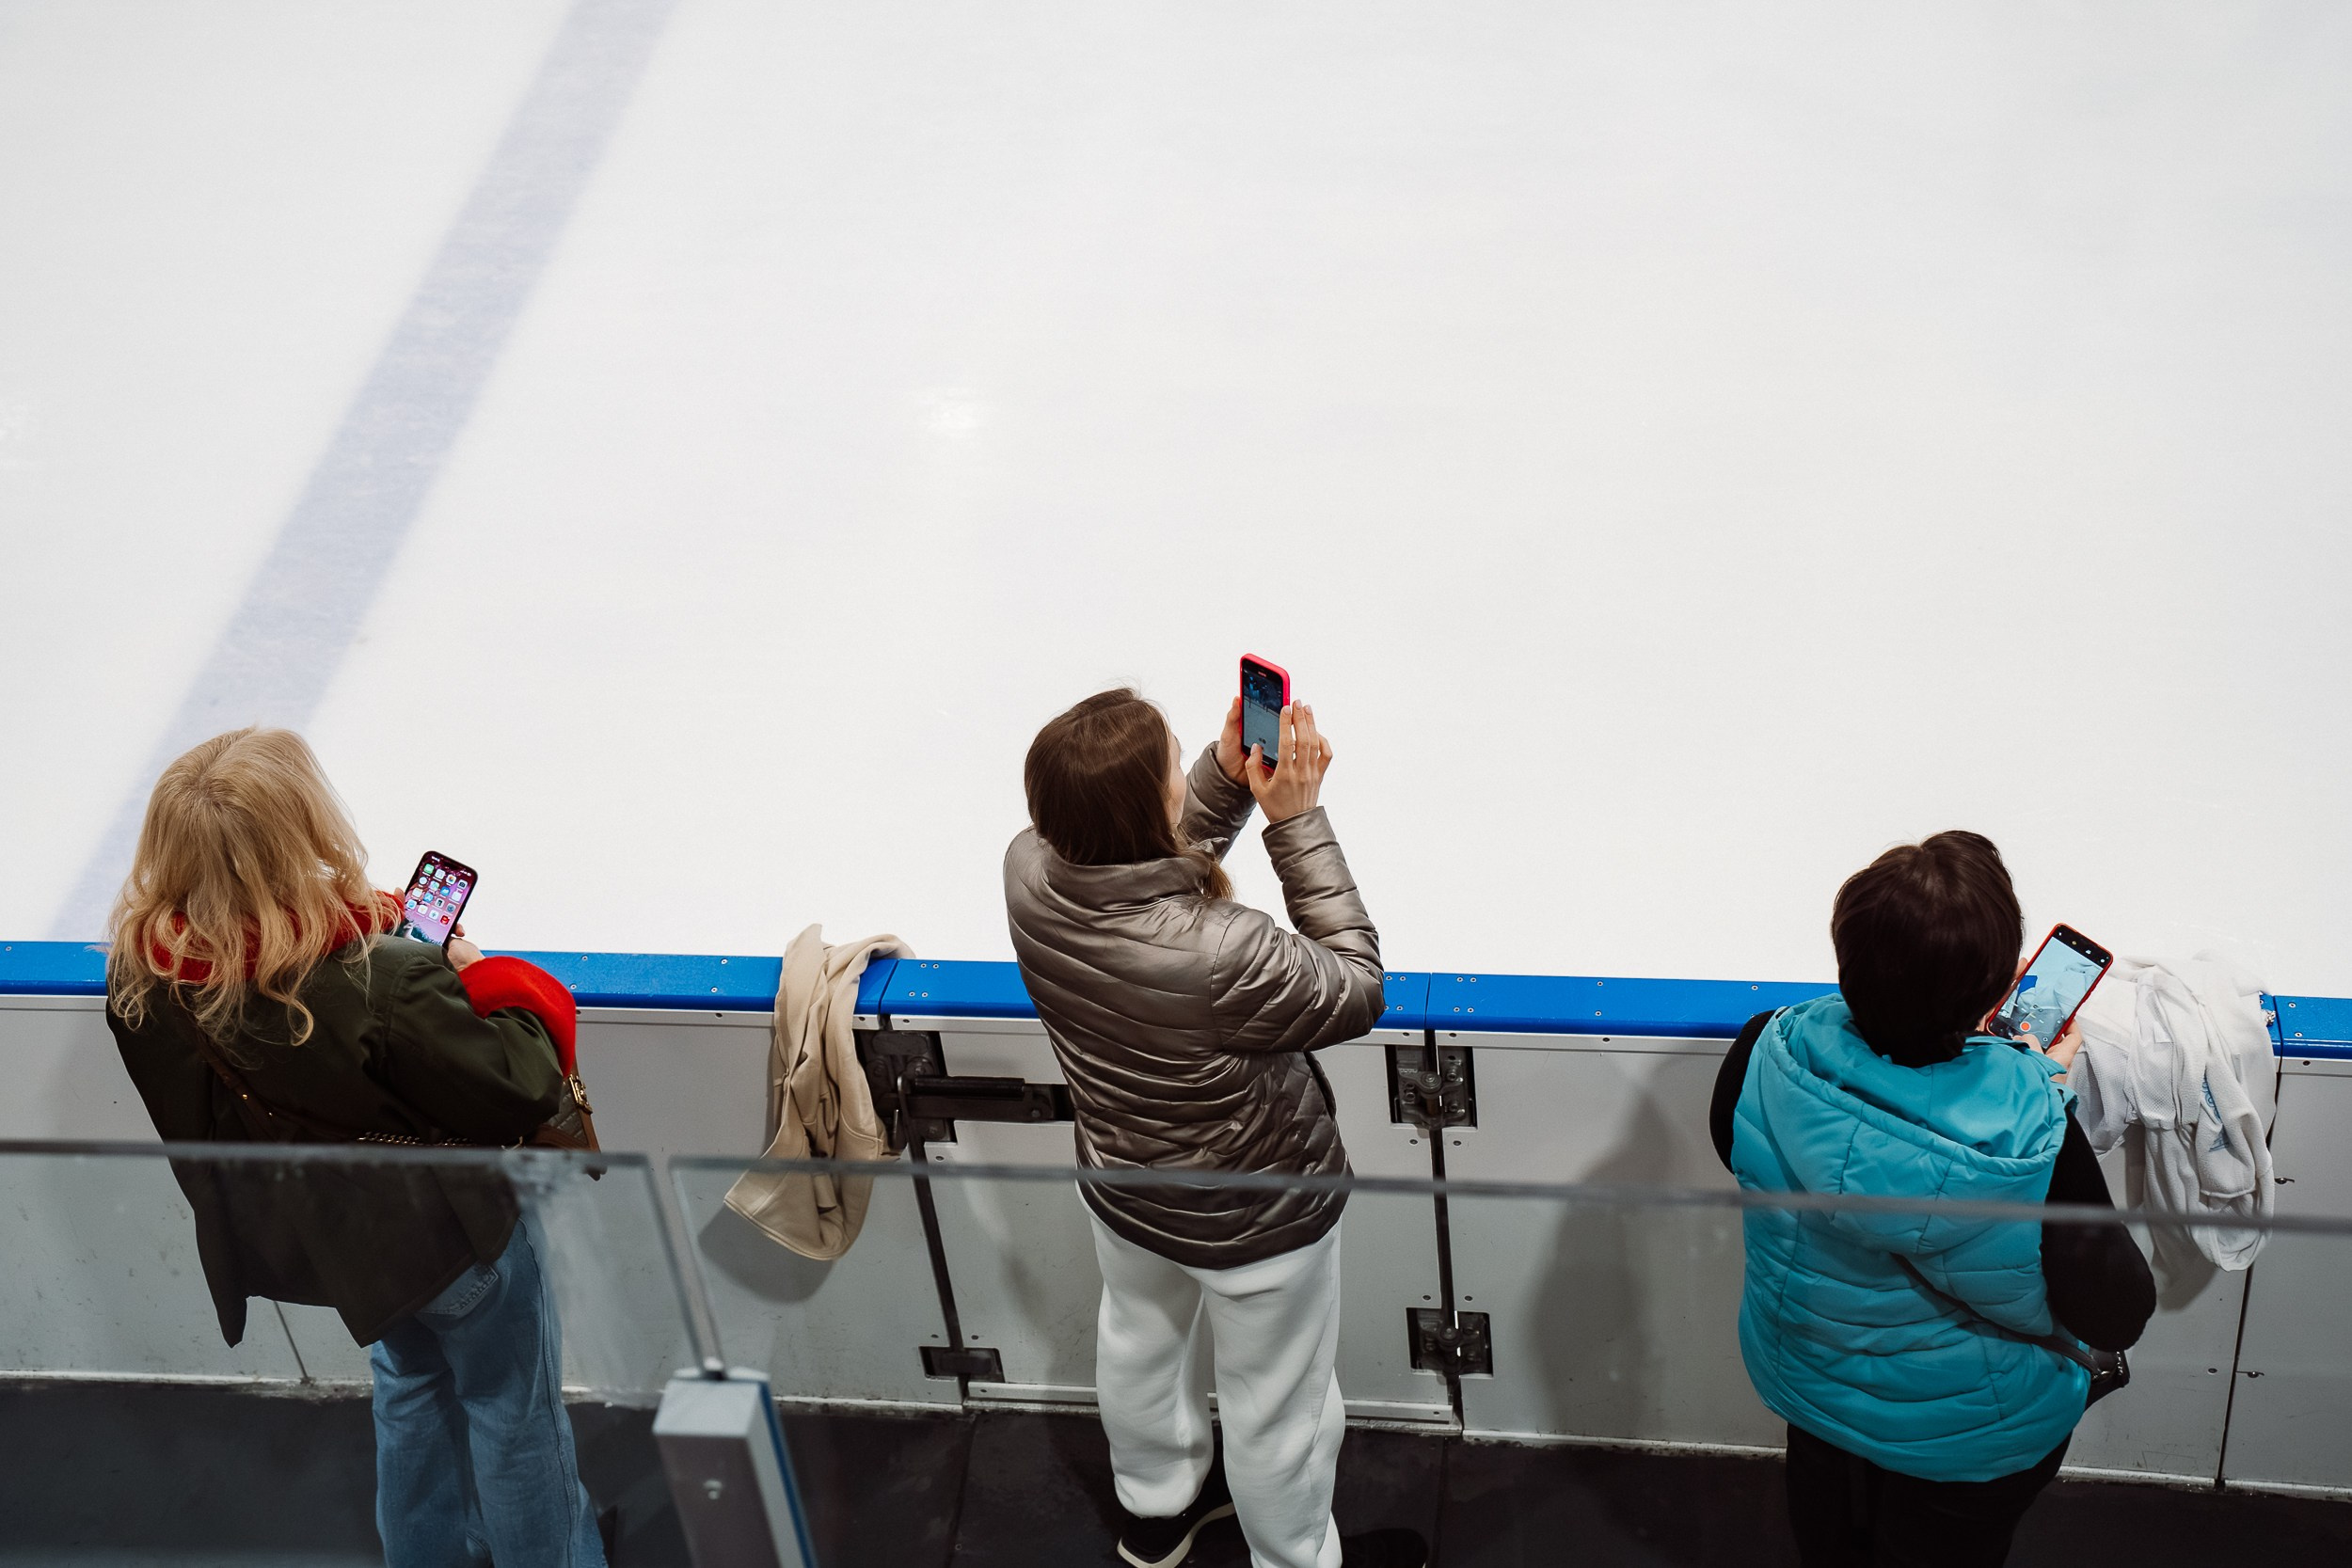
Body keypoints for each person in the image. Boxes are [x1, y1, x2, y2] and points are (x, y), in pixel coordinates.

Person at [104, 727, 607, 1568]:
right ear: (296, 829)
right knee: (512, 1416)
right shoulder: (380, 977)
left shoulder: (142, 977)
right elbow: (517, 1086)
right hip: (455, 1242)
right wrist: (478, 977)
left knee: (410, 1389)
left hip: (342, 1249)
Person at [1005, 689, 1425, 1568]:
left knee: (1140, 1345)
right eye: (1174, 766)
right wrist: (1296, 822)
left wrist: (1223, 781)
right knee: (1278, 1412)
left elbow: (1129, 864)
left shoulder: (1028, 872)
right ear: (1145, 803)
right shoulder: (1224, 949)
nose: (1180, 776)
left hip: (1126, 1190)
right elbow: (1355, 987)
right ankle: (1296, 1558)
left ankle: (1155, 1513)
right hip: (1254, 1218)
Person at [1712, 831, 2156, 1567]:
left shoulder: (1767, 1045)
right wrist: (2028, 1077)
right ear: (1995, 991)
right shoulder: (2037, 1133)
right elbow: (2115, 1311)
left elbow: (1741, 1148)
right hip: (1967, 1442)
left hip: (1815, 1393)